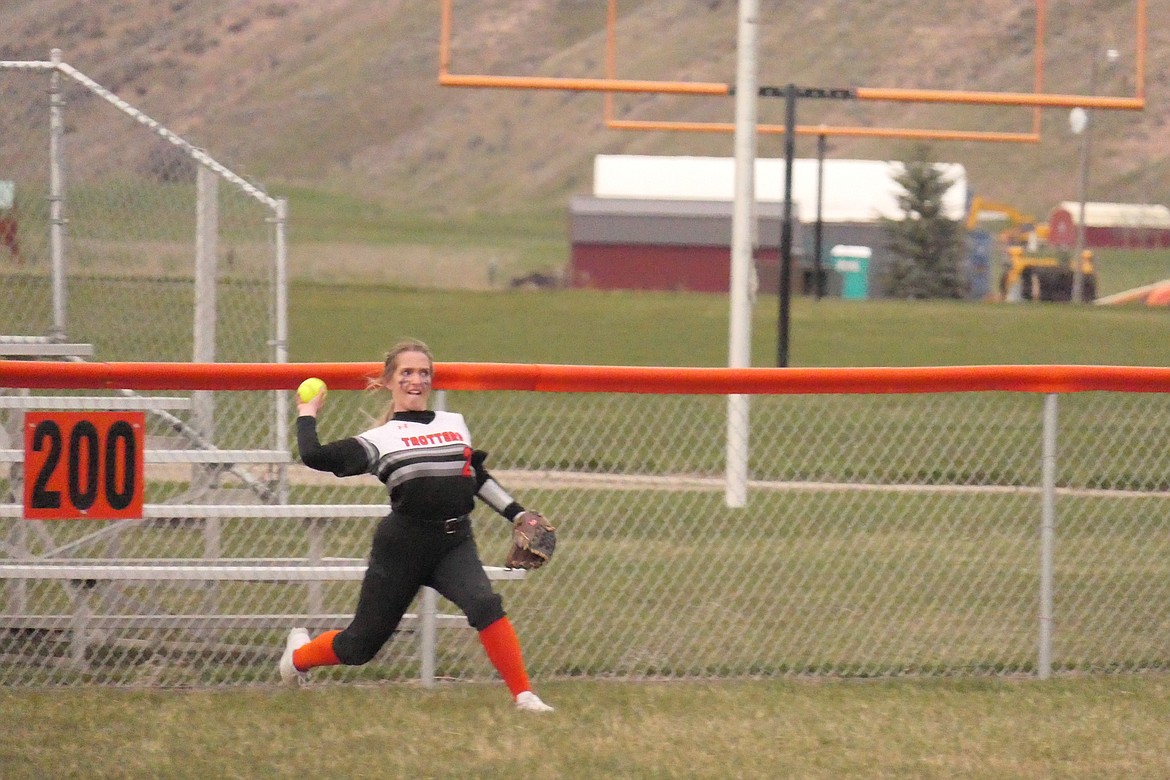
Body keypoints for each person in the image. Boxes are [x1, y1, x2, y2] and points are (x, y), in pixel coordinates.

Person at [279, 338, 553, 712]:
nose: (416, 380)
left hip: (454, 543)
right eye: (406, 372)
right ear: (389, 381)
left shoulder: (453, 424)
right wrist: (307, 411)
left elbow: (475, 476)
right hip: (402, 548)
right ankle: (297, 658)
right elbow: (313, 455)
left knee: (485, 604)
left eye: (424, 373)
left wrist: (518, 514)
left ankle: (524, 695)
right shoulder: (379, 440)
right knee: (359, 647)